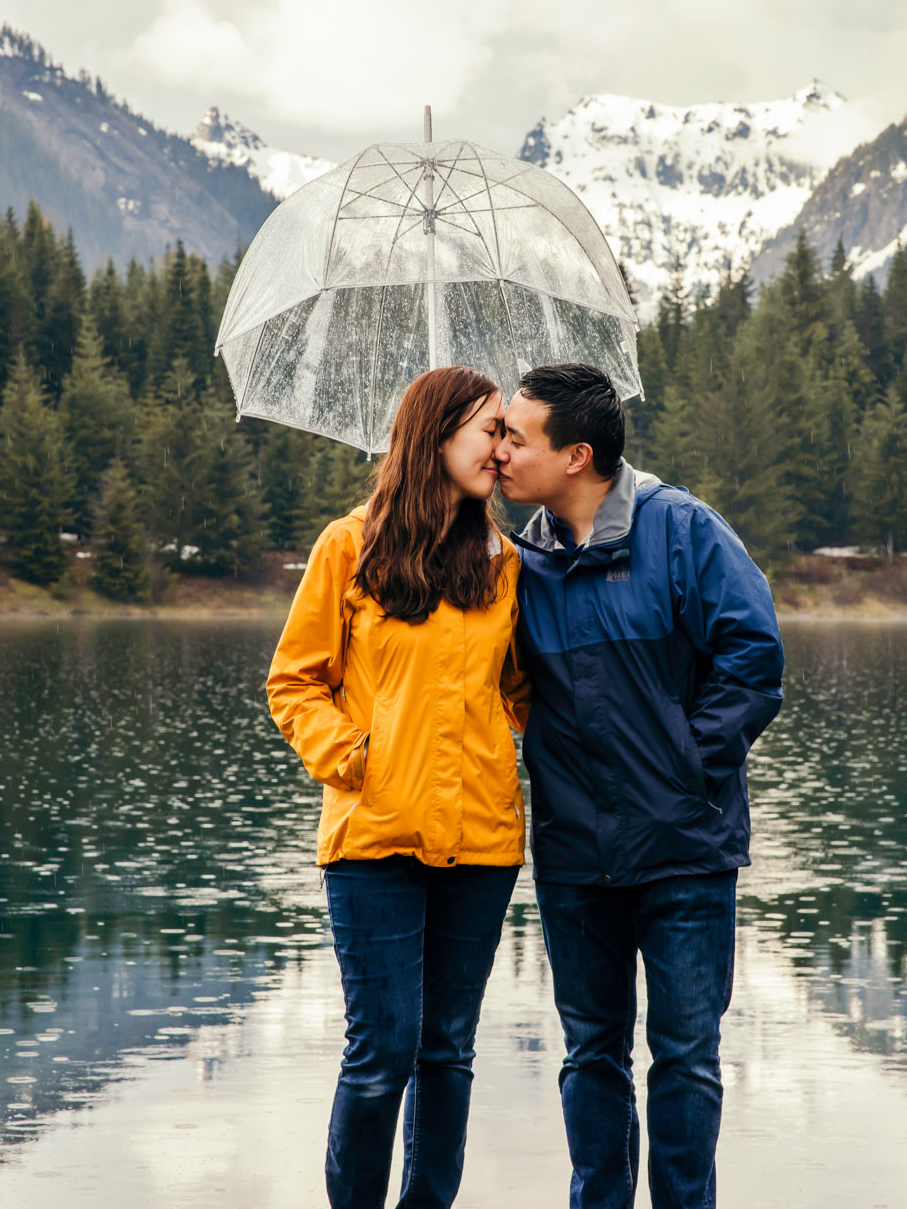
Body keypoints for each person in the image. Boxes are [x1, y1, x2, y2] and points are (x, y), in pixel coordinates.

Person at [493, 362, 783, 1209]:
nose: (501, 451)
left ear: (576, 455)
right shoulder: (519, 562)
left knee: (687, 1054)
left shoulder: (681, 530)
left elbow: (754, 658)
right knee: (591, 1054)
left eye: (517, 436)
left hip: (684, 849)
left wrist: (688, 767)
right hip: (575, 857)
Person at [265, 365, 530, 1209]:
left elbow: (522, 692)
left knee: (448, 1049)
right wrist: (353, 758)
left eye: (506, 433)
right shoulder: (350, 546)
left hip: (483, 841)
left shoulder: (506, 561)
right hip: (374, 835)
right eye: (491, 430)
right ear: (437, 435)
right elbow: (293, 682)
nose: (503, 449)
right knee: (383, 1049)